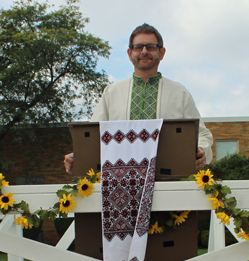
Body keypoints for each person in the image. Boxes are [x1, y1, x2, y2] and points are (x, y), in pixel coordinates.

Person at [64, 23, 213, 174]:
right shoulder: (112, 92)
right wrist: (76, 158)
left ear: (162, 52)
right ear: (130, 53)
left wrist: (202, 151)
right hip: (119, 185)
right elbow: (92, 137)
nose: (144, 51)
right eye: (138, 47)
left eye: (151, 47)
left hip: (169, 183)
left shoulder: (179, 93)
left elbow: (202, 134)